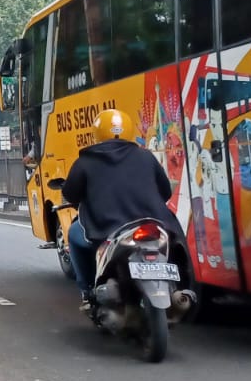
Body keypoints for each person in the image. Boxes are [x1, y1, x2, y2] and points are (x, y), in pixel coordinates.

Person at [62, 109, 183, 302]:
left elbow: (70, 194)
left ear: (97, 132)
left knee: (74, 234)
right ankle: (181, 286)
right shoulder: (146, 156)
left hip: (108, 227)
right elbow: (166, 191)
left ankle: (87, 291)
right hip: (154, 223)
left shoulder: (85, 161)